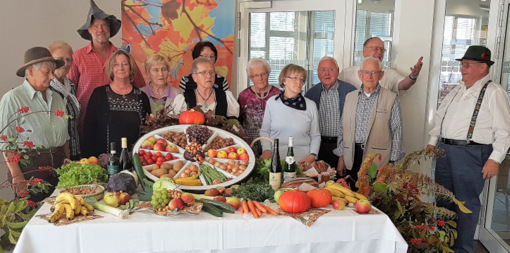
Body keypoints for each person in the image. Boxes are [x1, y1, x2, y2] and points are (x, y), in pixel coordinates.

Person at [426, 46, 510, 253]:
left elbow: (504, 130)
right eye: (462, 65)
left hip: (471, 154)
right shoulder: (456, 90)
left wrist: (495, 158)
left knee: (466, 204)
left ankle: (462, 250)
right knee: (443, 200)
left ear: (483, 68)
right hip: (444, 151)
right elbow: (440, 118)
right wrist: (432, 140)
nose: (462, 69)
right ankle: (444, 246)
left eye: (467, 65)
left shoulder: (494, 92)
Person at [0, 47, 69, 202]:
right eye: (47, 72)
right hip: (30, 171)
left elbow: (64, 136)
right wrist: (17, 176)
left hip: (60, 170)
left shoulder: (57, 98)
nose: (52, 77)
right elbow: (6, 143)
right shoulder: (12, 99)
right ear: (30, 71)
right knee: (34, 217)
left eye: (53, 71)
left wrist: (67, 160)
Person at [68, 0, 145, 138]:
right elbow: (67, 90)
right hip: (86, 123)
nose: (100, 30)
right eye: (96, 26)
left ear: (110, 29)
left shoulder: (123, 57)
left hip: (119, 125)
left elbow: (139, 86)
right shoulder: (78, 57)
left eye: (104, 25)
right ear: (89, 30)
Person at [334, 57, 405, 187]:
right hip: (352, 157)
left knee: (373, 201)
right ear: (360, 75)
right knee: (352, 198)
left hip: (378, 160)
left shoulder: (391, 98)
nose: (369, 76)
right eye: (366, 72)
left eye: (374, 72)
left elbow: (397, 131)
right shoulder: (350, 97)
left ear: (381, 75)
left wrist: (392, 163)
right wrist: (341, 157)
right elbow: (342, 128)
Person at [83, 50, 151, 157]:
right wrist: (91, 160)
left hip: (135, 160)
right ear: (111, 68)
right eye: (116, 64)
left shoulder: (141, 96)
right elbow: (89, 130)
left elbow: (148, 133)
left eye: (125, 64)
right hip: (104, 161)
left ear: (131, 68)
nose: (121, 68)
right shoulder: (99, 94)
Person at [259, 64, 320, 164]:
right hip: (275, 160)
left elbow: (315, 136)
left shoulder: (310, 105)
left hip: (303, 162)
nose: (299, 82)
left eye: (302, 79)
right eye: (295, 78)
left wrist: (312, 156)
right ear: (284, 81)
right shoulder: (272, 103)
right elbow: (265, 131)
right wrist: (266, 150)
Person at [305, 57, 356, 169]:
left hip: (341, 146)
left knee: (340, 182)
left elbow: (354, 125)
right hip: (317, 147)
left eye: (331, 69)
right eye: (323, 70)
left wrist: (343, 153)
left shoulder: (351, 91)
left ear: (337, 71)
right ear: (318, 73)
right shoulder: (311, 94)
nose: (327, 73)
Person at [339, 37, 423, 93]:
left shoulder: (389, 73)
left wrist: (413, 76)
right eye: (376, 49)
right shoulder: (347, 73)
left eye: (382, 50)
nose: (379, 53)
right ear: (365, 51)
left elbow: (403, 85)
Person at [238, 58, 280, 155]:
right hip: (250, 145)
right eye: (256, 75)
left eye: (263, 74)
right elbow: (238, 122)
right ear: (250, 77)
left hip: (273, 144)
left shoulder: (278, 95)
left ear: (268, 73)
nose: (260, 78)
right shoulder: (243, 96)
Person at [172, 58, 239, 118]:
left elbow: (232, 123)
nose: (209, 76)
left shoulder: (225, 97)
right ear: (194, 77)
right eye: (203, 72)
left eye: (211, 72)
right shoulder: (184, 99)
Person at [48, 41, 82, 160]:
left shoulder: (70, 86)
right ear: (51, 61)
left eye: (69, 59)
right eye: (60, 59)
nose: (65, 63)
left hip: (75, 149)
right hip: (56, 155)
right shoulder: (46, 88)